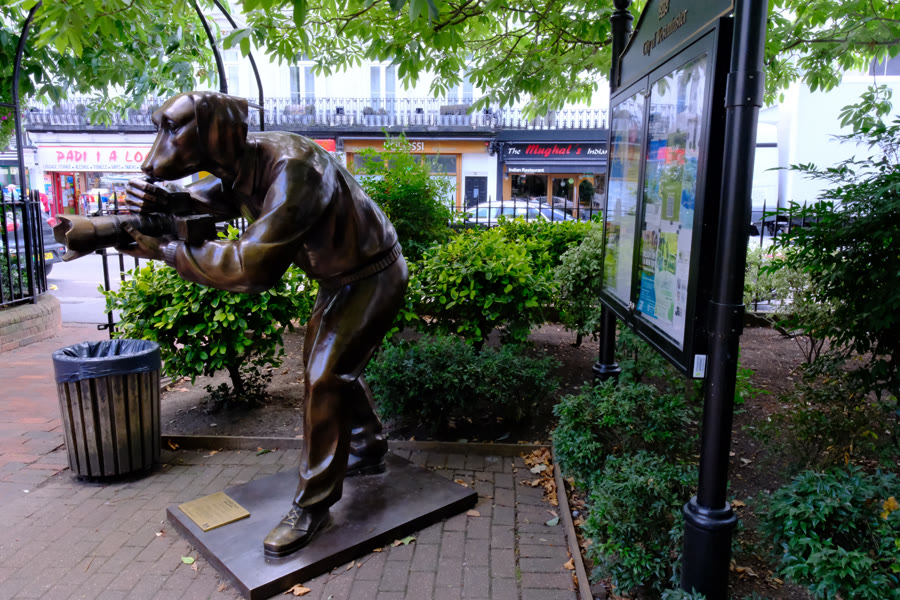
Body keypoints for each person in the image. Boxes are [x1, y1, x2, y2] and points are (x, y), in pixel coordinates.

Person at [121, 91, 408, 557]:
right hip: (339, 279)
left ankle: (313, 505)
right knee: (330, 370)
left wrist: (168, 251)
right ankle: (368, 446)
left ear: (212, 132)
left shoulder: (295, 168)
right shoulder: (243, 164)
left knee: (325, 376)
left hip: (372, 274)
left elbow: (251, 267)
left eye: (173, 129)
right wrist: (171, 203)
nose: (155, 154)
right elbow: (222, 197)